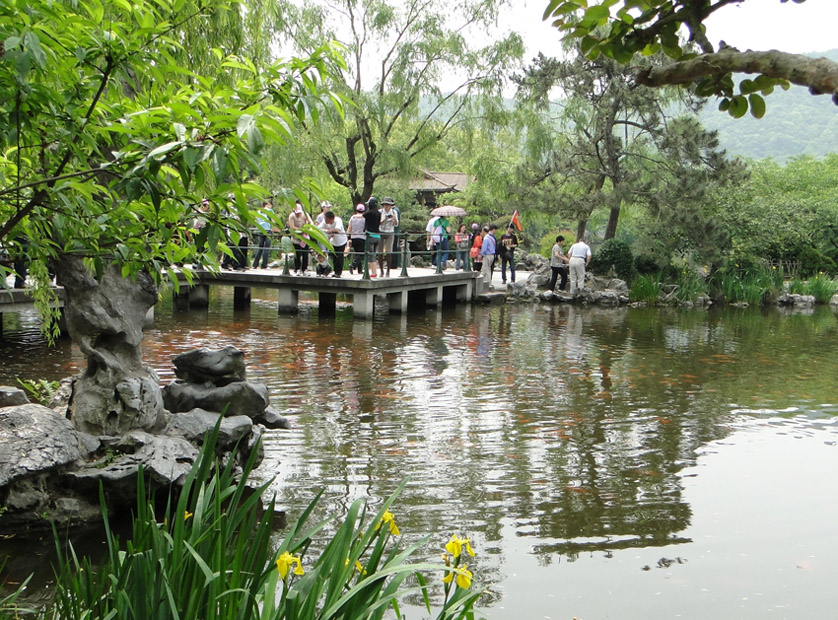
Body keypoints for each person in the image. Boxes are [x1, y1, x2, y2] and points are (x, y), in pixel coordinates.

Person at [320, 210, 347, 277]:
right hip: (333, 242)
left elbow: (337, 230)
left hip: (341, 241)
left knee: (339, 257)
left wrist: (330, 231)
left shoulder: (338, 220)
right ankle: (335, 271)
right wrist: (325, 231)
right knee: (334, 257)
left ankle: (338, 272)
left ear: (331, 218)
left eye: (326, 219)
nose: (325, 220)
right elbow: (318, 228)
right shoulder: (324, 222)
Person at [287, 200, 309, 275]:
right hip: (296, 237)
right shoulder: (292, 216)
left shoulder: (304, 214)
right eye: (297, 213)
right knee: (297, 254)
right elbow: (292, 227)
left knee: (305, 254)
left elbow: (309, 223)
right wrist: (300, 230)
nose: (298, 214)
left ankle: (304, 269)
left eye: (299, 212)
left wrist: (306, 229)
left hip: (305, 237)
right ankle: (297, 268)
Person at [379, 197, 399, 277]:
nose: (386, 206)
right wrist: (385, 219)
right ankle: (381, 271)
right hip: (380, 231)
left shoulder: (394, 212)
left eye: (388, 205)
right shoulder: (380, 212)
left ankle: (388, 271)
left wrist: (394, 219)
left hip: (390, 231)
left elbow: (396, 224)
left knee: (388, 251)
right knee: (379, 252)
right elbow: (378, 223)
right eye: (385, 204)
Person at [252, 200, 275, 269]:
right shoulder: (270, 211)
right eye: (270, 204)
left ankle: (255, 265)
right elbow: (273, 221)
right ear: (267, 204)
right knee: (266, 248)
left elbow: (256, 220)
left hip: (260, 230)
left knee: (260, 247)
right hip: (268, 230)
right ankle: (264, 265)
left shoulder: (259, 211)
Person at [363, 197, 381, 277]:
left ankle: (374, 273)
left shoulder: (368, 213)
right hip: (378, 236)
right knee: (374, 254)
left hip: (370, 235)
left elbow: (363, 215)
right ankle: (374, 271)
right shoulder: (379, 213)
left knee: (371, 255)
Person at [347, 204, 367, 274]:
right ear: (364, 210)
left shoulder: (353, 217)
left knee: (357, 253)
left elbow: (349, 227)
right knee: (361, 253)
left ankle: (360, 270)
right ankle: (353, 265)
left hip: (354, 237)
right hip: (362, 237)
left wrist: (347, 236)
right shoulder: (364, 218)